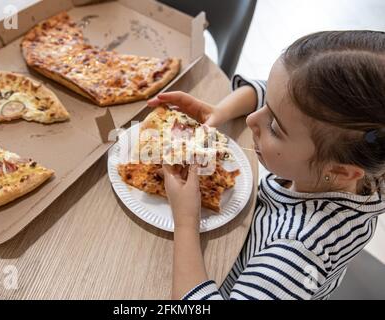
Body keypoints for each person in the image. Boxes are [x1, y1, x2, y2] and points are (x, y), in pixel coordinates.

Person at [147, 30, 385, 300]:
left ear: (340, 170)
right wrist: (220, 111)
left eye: (273, 126)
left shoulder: (295, 250)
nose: (252, 119)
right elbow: (273, 94)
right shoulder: (365, 153)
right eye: (266, 108)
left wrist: (187, 222)